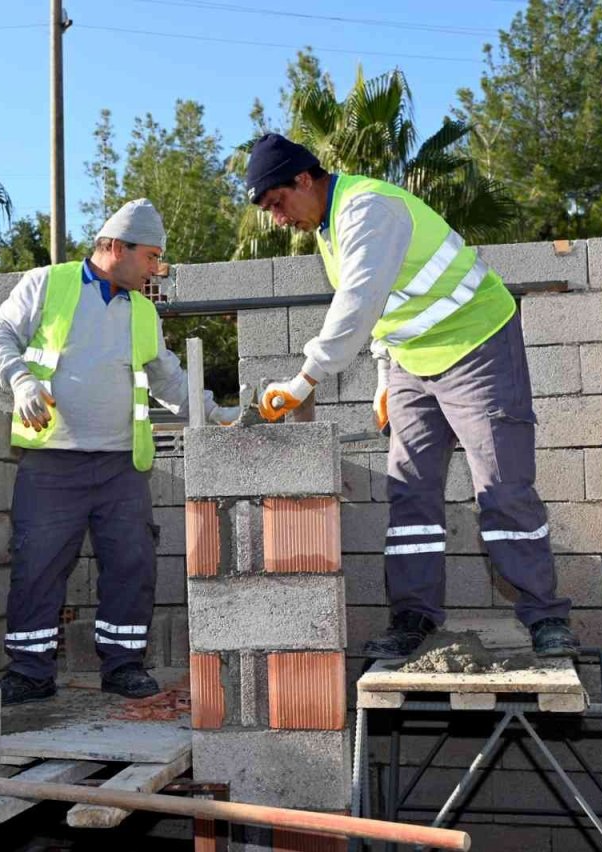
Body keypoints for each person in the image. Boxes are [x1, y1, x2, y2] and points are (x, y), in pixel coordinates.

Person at [244, 133, 578, 659]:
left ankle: (544, 616)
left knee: (501, 486)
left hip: (476, 343)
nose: (278, 217)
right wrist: (383, 374)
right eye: (268, 210)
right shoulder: (329, 230)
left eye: (278, 202)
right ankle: (413, 614)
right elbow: (384, 309)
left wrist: (304, 379)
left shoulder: (367, 208)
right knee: (411, 490)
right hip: (411, 363)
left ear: (304, 179)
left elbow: (357, 304)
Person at [0, 199, 239, 704]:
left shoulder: (142, 309)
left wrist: (219, 413)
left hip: (122, 465)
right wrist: (21, 382)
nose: (155, 268)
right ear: (116, 248)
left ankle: (123, 665)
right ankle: (30, 672)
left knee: (132, 564)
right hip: (52, 460)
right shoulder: (46, 284)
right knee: (36, 565)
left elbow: (168, 377)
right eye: (150, 256)